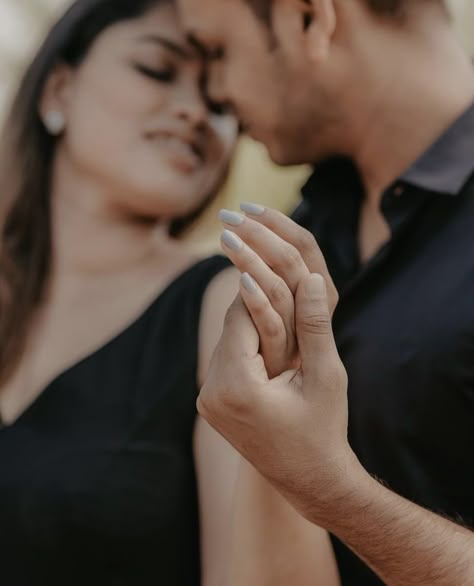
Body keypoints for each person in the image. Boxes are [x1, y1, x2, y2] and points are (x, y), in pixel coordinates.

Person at [0, 1, 337, 584]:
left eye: (220, 103)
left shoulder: (229, 309)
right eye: (158, 70)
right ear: (58, 90)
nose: (195, 113)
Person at [177, 0, 474, 584]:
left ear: (309, 18)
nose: (211, 92)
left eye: (217, 51)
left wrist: (327, 488)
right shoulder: (309, 226)